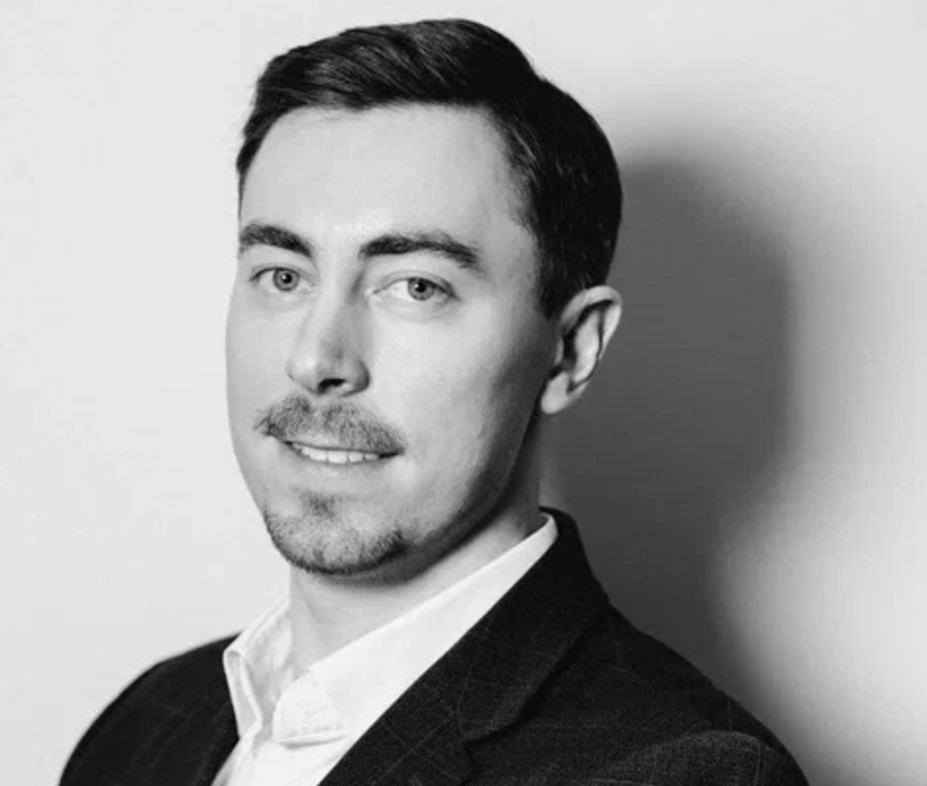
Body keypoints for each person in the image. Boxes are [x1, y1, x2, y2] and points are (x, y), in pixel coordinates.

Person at [61, 18, 807, 786]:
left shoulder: (684, 772)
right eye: (284, 276)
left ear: (571, 349)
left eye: (417, 287)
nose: (317, 360)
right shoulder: (146, 723)